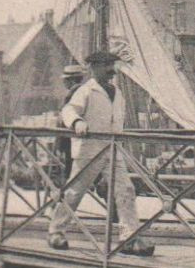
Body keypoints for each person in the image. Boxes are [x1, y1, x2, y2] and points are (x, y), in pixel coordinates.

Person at [48, 50, 152, 256]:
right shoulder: (86, 91)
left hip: (112, 150)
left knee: (126, 190)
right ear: (94, 68)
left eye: (111, 65)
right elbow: (68, 110)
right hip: (89, 150)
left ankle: (128, 237)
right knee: (74, 192)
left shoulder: (118, 93)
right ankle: (56, 232)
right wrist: (77, 122)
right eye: (106, 65)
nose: (110, 70)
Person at [55, 63, 86, 180]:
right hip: (72, 134)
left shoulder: (74, 92)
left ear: (71, 80)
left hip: (69, 136)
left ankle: (66, 192)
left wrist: (59, 141)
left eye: (65, 80)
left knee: (69, 166)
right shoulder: (82, 91)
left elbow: (66, 115)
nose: (64, 83)